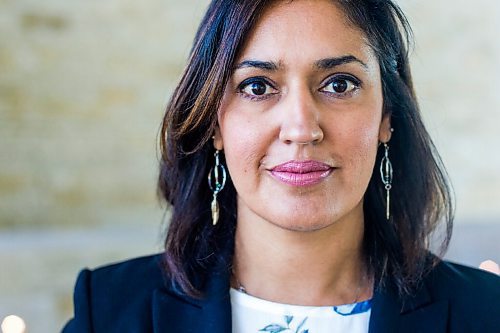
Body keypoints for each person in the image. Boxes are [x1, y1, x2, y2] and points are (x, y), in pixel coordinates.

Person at [62, 0, 500, 332]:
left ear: (387, 117)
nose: (301, 128)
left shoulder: (483, 312)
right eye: (257, 86)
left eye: (339, 84)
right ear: (215, 123)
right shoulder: (109, 311)